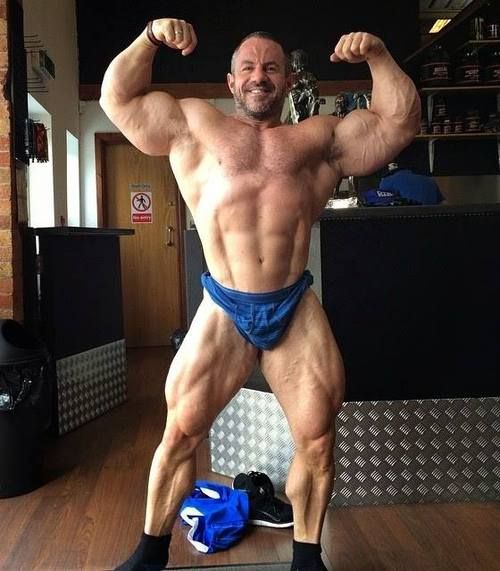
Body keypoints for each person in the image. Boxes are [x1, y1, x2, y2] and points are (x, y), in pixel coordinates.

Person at [100, 17, 420, 571]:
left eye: (271, 67)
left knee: (317, 439)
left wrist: (379, 55)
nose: (259, 75)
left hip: (293, 305)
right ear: (231, 81)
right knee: (181, 432)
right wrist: (149, 38)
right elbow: (118, 99)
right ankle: (149, 555)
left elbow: (401, 122)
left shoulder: (318, 139)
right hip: (225, 304)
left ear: (288, 80)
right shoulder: (194, 125)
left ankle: (307, 558)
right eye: (247, 67)